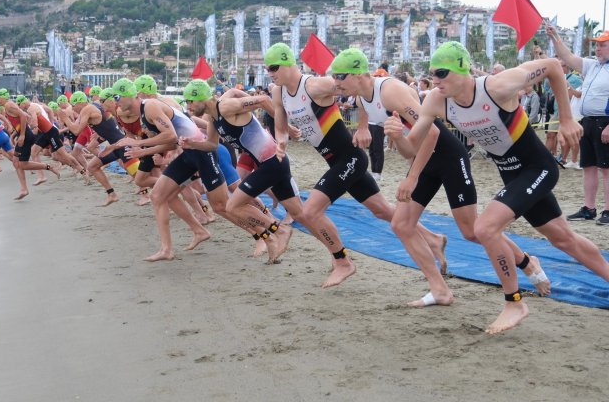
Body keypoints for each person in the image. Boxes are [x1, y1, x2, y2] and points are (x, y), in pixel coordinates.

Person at [332, 48, 550, 309]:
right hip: (422, 160)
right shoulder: (359, 98)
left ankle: (527, 262)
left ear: (359, 75)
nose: (336, 83)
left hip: (447, 156)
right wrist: (364, 128)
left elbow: (433, 134)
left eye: (340, 76)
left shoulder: (390, 91)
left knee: (471, 231)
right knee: (401, 225)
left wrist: (412, 177)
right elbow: (369, 113)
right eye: (333, 77)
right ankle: (440, 290)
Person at [420, 41, 607, 334]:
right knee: (564, 239)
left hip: (538, 169)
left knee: (484, 229)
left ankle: (514, 302)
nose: (435, 80)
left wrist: (568, 118)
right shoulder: (436, 101)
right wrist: (399, 136)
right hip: (512, 175)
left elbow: (554, 66)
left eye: (441, 72)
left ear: (462, 69)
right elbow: (411, 145)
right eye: (431, 73)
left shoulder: (497, 86)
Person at [266, 43, 446, 287]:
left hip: (350, 158)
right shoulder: (279, 92)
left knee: (309, 212)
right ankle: (433, 238)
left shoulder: (314, 86)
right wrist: (282, 139)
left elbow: (363, 90)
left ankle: (342, 261)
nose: (270, 73)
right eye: (267, 69)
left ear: (288, 64)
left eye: (274, 67)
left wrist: (362, 126)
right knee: (382, 210)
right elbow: (279, 115)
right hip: (334, 160)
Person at [112, 78, 291, 262]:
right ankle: (172, 246)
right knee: (159, 195)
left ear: (133, 93)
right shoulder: (147, 113)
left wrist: (287, 129)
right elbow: (176, 139)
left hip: (208, 154)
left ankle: (266, 233)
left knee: (225, 203)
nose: (116, 102)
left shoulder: (151, 106)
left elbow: (172, 135)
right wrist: (146, 150)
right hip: (192, 151)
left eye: (117, 97)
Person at [548, 26, 609, 225]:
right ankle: (589, 208)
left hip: (604, 122)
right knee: (588, 167)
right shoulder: (593, 65)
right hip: (588, 121)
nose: (598, 49)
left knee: (607, 170)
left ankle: (608, 210)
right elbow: (567, 56)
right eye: (597, 45)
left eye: (603, 45)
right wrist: (555, 37)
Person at [56, 90, 140, 206]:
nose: (73, 108)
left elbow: (76, 131)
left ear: (80, 102)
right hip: (113, 147)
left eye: (74, 105)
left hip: (121, 145)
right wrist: (100, 134)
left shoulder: (88, 109)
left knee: (141, 178)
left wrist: (64, 118)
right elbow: (108, 122)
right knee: (92, 166)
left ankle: (153, 193)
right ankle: (112, 194)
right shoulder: (91, 107)